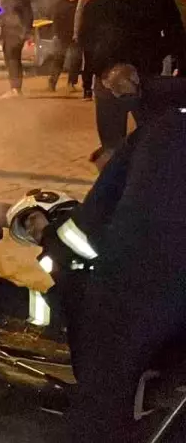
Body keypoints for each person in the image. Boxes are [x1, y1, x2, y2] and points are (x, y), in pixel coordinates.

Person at [58, 70, 186, 442]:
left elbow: (86, 225)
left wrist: (74, 261)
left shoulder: (154, 132)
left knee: (104, 391)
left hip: (132, 279)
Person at [78, 0, 186, 152]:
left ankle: (147, 176)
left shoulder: (157, 0)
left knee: (152, 137)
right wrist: (104, 72)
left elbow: (176, 35)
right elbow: (87, 42)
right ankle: (115, 179)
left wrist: (179, 65)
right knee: (112, 144)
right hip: (109, 82)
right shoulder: (98, 5)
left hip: (147, 78)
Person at [74, 0, 109, 101]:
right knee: (88, 63)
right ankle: (87, 89)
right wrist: (77, 32)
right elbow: (79, 11)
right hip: (89, 33)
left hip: (106, 34)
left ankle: (103, 88)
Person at [0, 0, 34, 99]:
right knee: (10, 60)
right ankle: (14, 88)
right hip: (7, 33)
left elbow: (28, 16)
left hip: (16, 34)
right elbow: (0, 10)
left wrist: (26, 32)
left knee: (13, 60)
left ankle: (15, 89)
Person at [47, 0, 82, 92]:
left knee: (75, 60)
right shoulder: (60, 3)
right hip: (62, 36)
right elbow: (55, 20)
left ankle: (71, 83)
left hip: (77, 36)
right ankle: (52, 83)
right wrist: (55, 34)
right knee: (58, 60)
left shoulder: (82, 2)